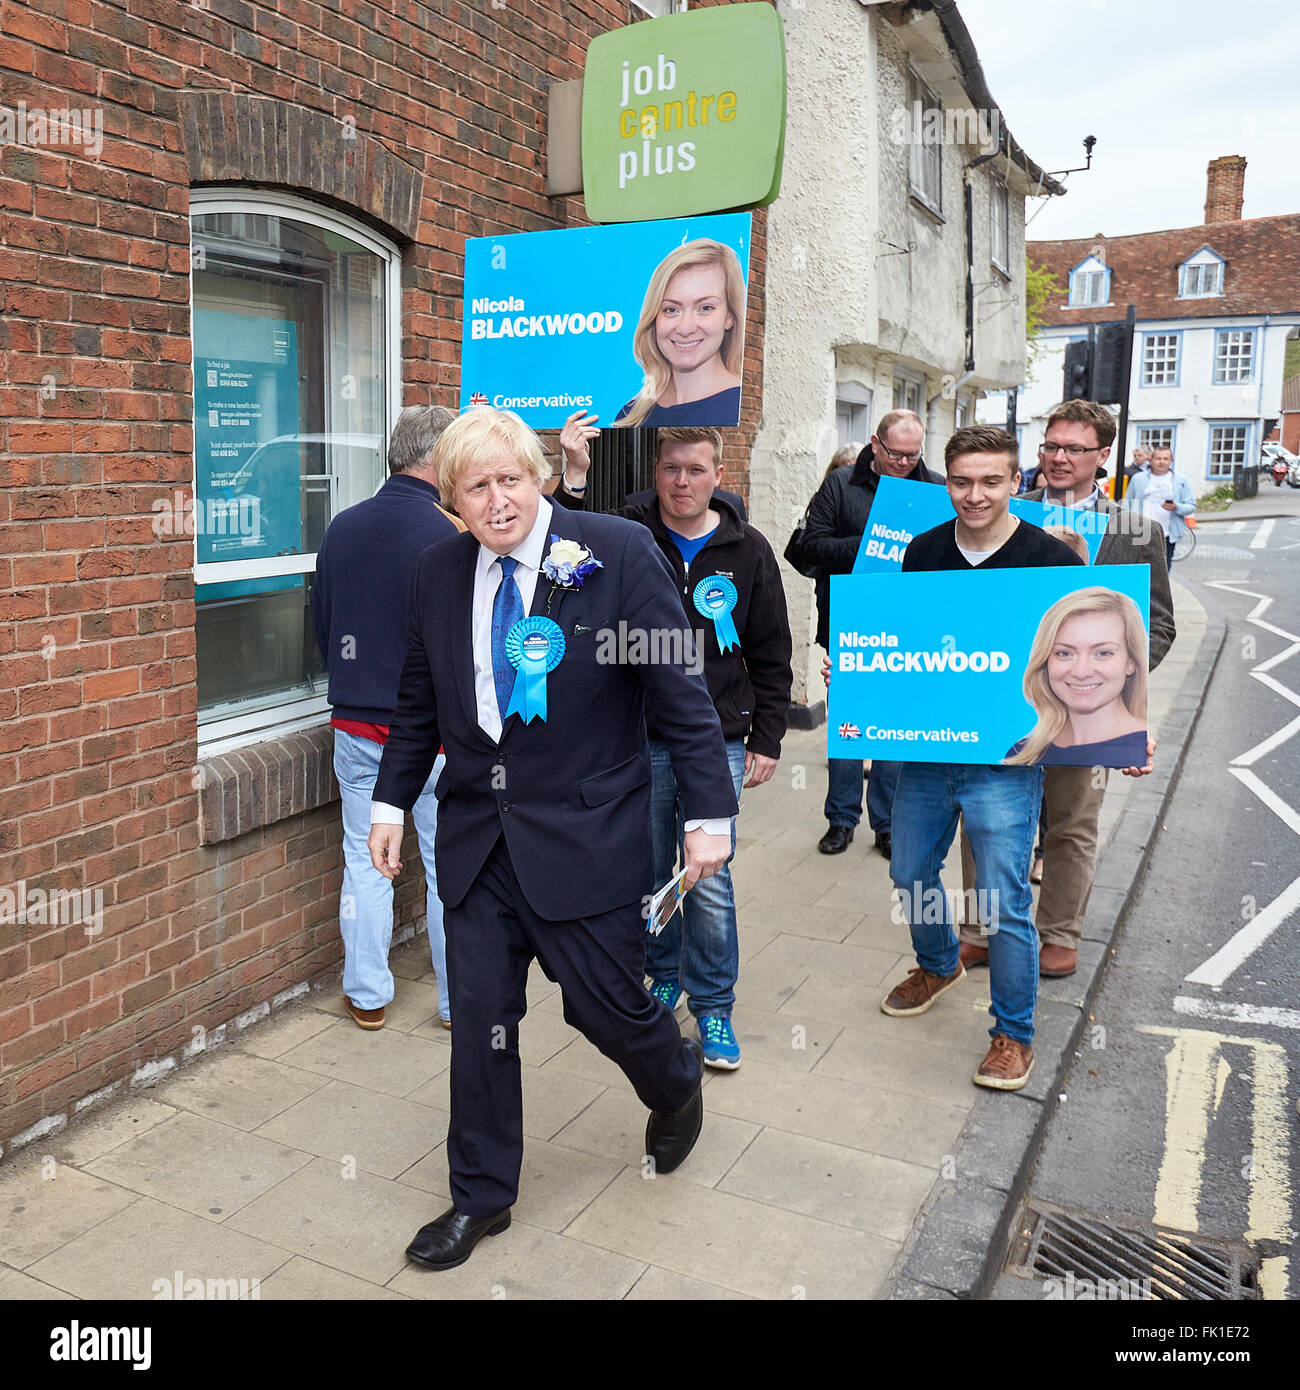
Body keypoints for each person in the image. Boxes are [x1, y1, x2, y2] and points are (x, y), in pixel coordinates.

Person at [367, 407, 738, 1271]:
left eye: (512, 479)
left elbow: (679, 692)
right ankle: (480, 1198)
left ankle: (675, 1079)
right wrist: (390, 806)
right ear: (450, 499)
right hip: (477, 843)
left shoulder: (614, 550)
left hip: (585, 835)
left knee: (603, 1006)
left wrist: (706, 818)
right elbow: (418, 702)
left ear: (537, 476)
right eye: (477, 486)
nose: (499, 501)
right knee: (481, 1026)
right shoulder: (435, 572)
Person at [555, 422, 793, 1070]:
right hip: (640, 734)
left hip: (718, 739)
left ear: (719, 475)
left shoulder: (749, 551)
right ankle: (664, 975)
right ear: (655, 472)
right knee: (656, 867)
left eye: (695, 469)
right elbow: (564, 554)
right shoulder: (631, 535)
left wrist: (767, 735)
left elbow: (772, 651)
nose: (681, 482)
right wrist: (574, 474)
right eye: (670, 470)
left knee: (706, 879)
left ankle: (714, 1006)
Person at [882, 426, 1088, 1092]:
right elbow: (907, 643)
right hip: (927, 751)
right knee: (911, 869)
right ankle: (939, 962)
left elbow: (1081, 661)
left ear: (1015, 482)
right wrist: (861, 672)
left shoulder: (1051, 559)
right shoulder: (922, 551)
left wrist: (1122, 730)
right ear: (946, 482)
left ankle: (1013, 1034)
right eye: (962, 481)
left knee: (1001, 902)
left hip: (1005, 759)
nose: (975, 495)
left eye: (990, 481)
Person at [959, 399, 1174, 978]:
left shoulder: (1136, 531)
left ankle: (1058, 932)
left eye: (1074, 448)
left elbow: (1156, 623)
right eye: (1051, 445)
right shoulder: (1007, 511)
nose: (1058, 457)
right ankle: (979, 930)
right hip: (1004, 702)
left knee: (1072, 822)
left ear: (1103, 456)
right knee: (984, 817)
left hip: (1084, 709)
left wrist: (1115, 689)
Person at [311, 405, 462, 1031]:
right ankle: (459, 1004)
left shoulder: (341, 527)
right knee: (448, 867)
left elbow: (323, 628)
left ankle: (368, 995)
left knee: (364, 861)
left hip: (355, 727)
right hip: (433, 736)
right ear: (437, 460)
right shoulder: (451, 535)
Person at [798, 410, 941, 860]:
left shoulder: (934, 488)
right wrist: (870, 545)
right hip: (850, 623)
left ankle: (886, 824)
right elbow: (808, 547)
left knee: (894, 729)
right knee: (849, 727)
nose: (903, 463)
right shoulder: (841, 485)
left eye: (912, 454)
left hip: (909, 625)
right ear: (875, 445)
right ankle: (840, 820)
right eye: (895, 454)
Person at [1005, 588, 1149, 768]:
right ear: (1045, 661)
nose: (1081, 672)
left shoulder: (1140, 750)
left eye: (1103, 653)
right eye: (1064, 653)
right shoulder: (1022, 751)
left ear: (1131, 662)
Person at [614, 240, 746, 428]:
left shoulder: (738, 406)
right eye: (671, 309)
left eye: (705, 308)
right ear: (654, 317)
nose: (685, 328)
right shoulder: (631, 415)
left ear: (730, 316)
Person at [1125, 444, 1196, 571]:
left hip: (1167, 535)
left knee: (1162, 571)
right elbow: (1127, 503)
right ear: (1151, 459)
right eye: (1158, 458)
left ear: (1171, 460)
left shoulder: (1181, 481)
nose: (1161, 462)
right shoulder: (1138, 479)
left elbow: (1191, 505)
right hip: (1141, 532)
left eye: (1165, 458)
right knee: (1139, 570)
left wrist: (1176, 507)